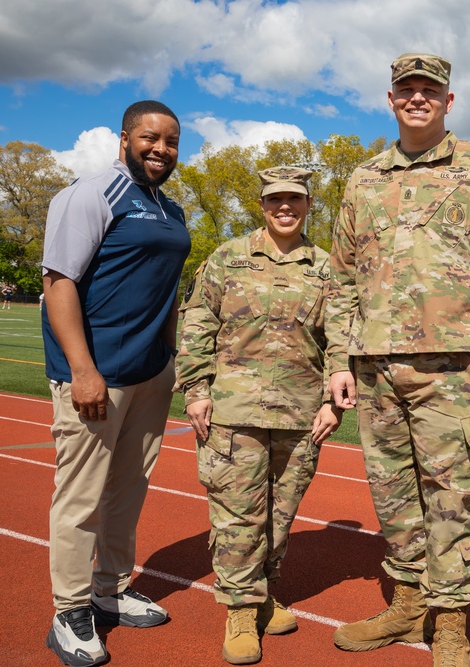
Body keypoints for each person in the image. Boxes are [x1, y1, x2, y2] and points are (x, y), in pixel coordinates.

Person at [325, 53, 470, 666]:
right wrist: (340, 359)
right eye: (406, 89)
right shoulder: (363, 178)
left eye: (430, 91)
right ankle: (409, 601)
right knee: (393, 498)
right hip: (375, 367)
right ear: (390, 99)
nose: (417, 98)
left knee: (451, 498)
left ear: (449, 100)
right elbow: (341, 279)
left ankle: (450, 619)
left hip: (453, 371)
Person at [41, 100, 190, 667]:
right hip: (98, 376)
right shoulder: (92, 193)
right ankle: (70, 610)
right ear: (124, 137)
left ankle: (109, 588)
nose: (161, 149)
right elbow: (59, 282)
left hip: (150, 374)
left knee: (127, 491)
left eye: (172, 141)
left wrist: (170, 357)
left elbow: (165, 290)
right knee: (80, 497)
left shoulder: (169, 208)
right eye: (150, 138)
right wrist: (82, 370)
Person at [176, 165, 342, 665]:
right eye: (275, 200)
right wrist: (197, 390)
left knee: (280, 516)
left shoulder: (326, 268)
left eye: (294, 199)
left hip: (300, 414)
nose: (285, 208)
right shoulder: (228, 258)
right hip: (234, 411)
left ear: (309, 204)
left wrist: (334, 402)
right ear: (262, 205)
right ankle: (241, 611)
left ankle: (264, 594)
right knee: (238, 516)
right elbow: (196, 325)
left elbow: (342, 339)